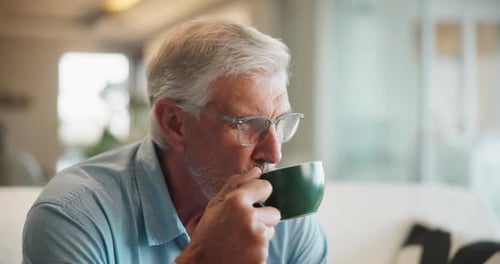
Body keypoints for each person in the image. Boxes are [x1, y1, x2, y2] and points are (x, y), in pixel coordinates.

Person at [22, 19, 328, 264]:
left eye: (280, 123)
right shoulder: (74, 216)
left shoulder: (286, 217)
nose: (273, 152)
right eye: (249, 125)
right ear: (175, 123)